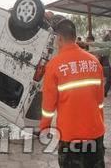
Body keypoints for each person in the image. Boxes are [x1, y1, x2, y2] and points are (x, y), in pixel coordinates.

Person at [40, 19, 105, 168]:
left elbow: (48, 107)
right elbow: (100, 102)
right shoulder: (94, 62)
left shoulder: (54, 65)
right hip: (95, 132)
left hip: (70, 136)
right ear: (74, 37)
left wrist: (45, 128)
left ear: (59, 38)